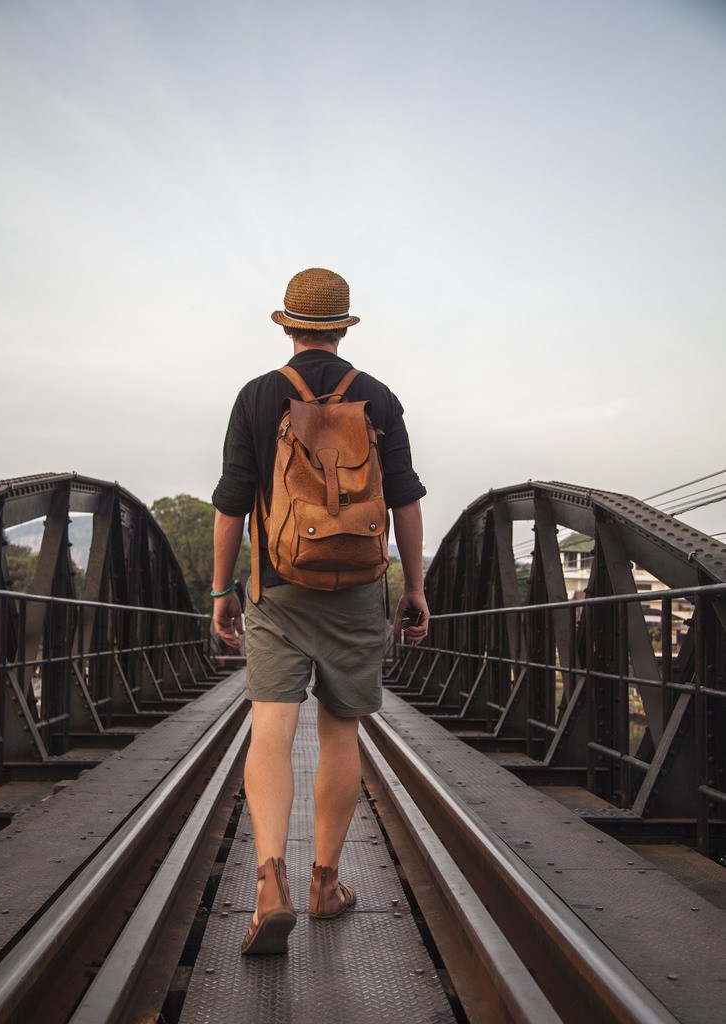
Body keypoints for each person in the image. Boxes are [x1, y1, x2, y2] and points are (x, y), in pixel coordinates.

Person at [211, 267, 429, 955]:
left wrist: (222, 590)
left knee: (270, 730)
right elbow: (406, 502)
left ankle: (269, 884)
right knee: (341, 733)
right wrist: (414, 587)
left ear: (289, 324)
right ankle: (324, 884)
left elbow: (231, 504)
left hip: (278, 587)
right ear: (341, 326)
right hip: (359, 590)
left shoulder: (257, 396)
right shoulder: (380, 397)